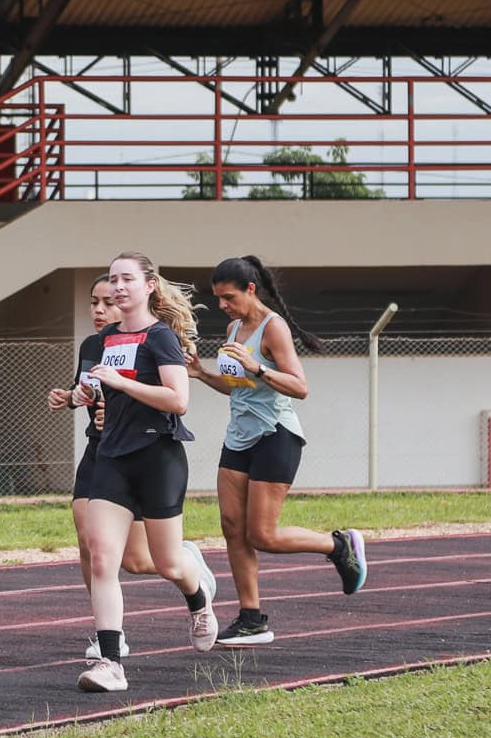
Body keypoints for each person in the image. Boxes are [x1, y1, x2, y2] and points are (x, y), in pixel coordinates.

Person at [185, 256, 366, 647]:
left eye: (228, 297)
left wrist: (258, 367)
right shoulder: (234, 327)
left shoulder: (274, 328)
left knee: (262, 534)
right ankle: (252, 619)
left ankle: (338, 546)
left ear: (251, 290)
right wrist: (201, 374)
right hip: (239, 437)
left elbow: (300, 387)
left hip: (276, 435)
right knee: (233, 528)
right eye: (218, 299)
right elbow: (239, 386)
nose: (223, 306)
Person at [49, 274, 218, 661]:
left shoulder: (155, 338)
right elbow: (91, 388)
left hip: (147, 451)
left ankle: (190, 572)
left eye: (108, 302)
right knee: (94, 545)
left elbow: (172, 398)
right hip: (103, 451)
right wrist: (74, 398)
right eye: (94, 302)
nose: (100, 310)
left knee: (147, 561)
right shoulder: (95, 344)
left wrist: (120, 400)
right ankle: (111, 640)